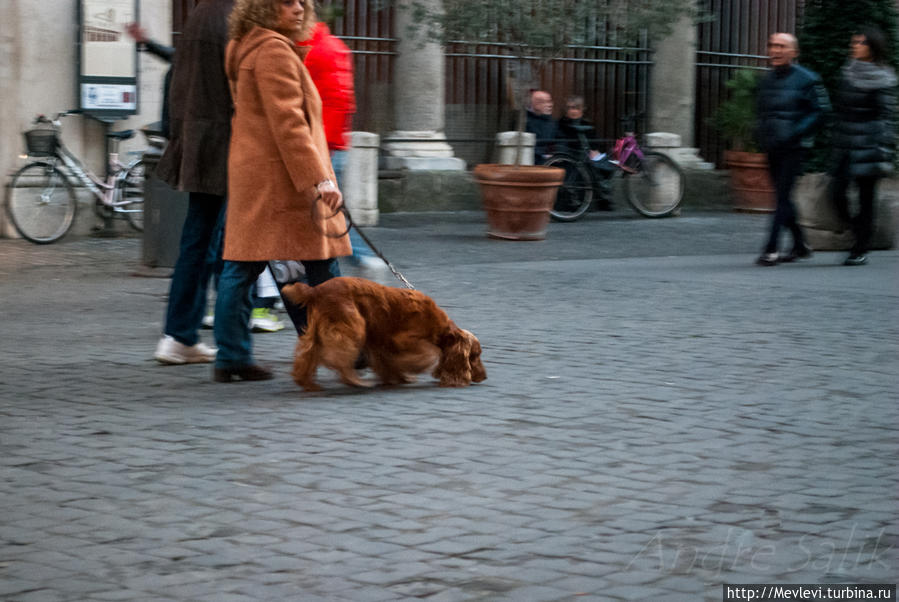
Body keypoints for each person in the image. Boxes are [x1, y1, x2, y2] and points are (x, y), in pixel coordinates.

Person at [213, 0, 351, 383]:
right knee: (319, 266)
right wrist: (319, 180)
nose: (299, 8)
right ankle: (344, 350)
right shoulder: (273, 50)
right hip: (281, 179)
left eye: (303, 2)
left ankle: (232, 356)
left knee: (244, 265)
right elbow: (289, 124)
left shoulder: (243, 46)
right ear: (263, 7)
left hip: (256, 174)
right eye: (288, 1)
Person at [152, 0, 234, 364]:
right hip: (223, 143)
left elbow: (178, 76)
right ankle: (202, 340)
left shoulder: (202, 13)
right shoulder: (235, 14)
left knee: (200, 241)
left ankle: (179, 334)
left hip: (199, 140)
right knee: (217, 245)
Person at [298, 18, 383, 272]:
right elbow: (342, 101)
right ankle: (361, 257)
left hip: (320, 146)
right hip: (336, 142)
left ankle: (360, 257)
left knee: (322, 216)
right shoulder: (337, 47)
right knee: (329, 213)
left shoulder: (310, 52)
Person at [754, 32, 830, 267]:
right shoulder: (766, 80)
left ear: (794, 52)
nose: (775, 50)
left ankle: (771, 248)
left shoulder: (808, 79)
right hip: (772, 144)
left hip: (794, 147)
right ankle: (800, 244)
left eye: (781, 46)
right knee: (783, 197)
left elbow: (822, 111)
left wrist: (796, 132)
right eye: (772, 45)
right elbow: (763, 112)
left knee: (782, 197)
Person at [830, 27, 897, 266]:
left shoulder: (883, 78)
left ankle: (859, 249)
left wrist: (883, 149)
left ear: (872, 47)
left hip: (869, 146)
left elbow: (886, 116)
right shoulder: (847, 72)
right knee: (835, 193)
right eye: (854, 41)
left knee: (866, 199)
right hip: (846, 144)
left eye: (860, 42)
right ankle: (858, 229)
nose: (854, 46)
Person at [125, 23, 174, 137]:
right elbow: (171, 54)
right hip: (173, 129)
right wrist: (146, 41)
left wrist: (146, 42)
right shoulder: (186, 57)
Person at [526, 89, 558, 165]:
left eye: (549, 101)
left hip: (554, 161)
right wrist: (543, 155)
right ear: (533, 104)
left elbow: (560, 141)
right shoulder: (525, 121)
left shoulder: (553, 122)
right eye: (544, 102)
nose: (550, 105)